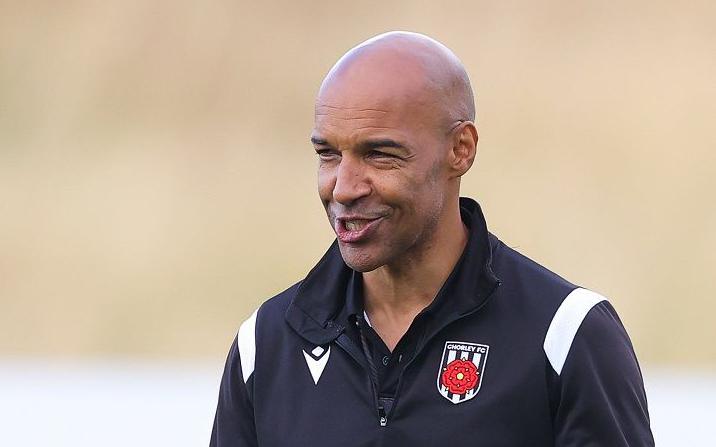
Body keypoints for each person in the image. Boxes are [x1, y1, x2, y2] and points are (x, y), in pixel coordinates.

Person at [210, 31, 654, 446]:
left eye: (379, 154)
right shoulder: (266, 343)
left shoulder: (566, 335)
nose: (343, 187)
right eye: (328, 154)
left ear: (461, 149)